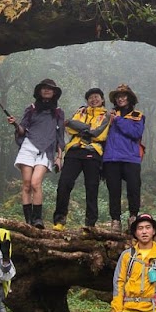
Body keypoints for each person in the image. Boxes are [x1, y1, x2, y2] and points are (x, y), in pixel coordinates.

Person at [10, 79, 64, 226]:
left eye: (50, 89)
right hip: (29, 146)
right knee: (27, 184)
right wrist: (15, 124)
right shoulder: (32, 108)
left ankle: (37, 219)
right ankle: (28, 221)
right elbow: (22, 129)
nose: (47, 91)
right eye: (44, 88)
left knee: (35, 183)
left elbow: (60, 136)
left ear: (54, 93)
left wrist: (59, 157)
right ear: (39, 91)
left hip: (46, 150)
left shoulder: (58, 112)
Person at [53, 87, 109, 229]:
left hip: (94, 151)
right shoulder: (80, 111)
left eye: (97, 97)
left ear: (102, 99)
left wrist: (80, 127)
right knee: (64, 184)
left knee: (91, 188)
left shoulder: (106, 115)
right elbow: (70, 127)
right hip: (74, 150)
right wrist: (87, 128)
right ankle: (59, 220)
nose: (93, 99)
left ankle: (90, 225)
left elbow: (99, 134)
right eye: (90, 97)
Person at [101, 84, 147, 230]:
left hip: (130, 157)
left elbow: (135, 133)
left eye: (123, 96)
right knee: (114, 190)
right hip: (111, 158)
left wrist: (118, 120)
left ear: (129, 98)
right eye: (118, 97)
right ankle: (115, 220)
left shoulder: (137, 116)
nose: (120, 99)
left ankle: (133, 217)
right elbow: (101, 135)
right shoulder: (108, 115)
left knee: (134, 188)